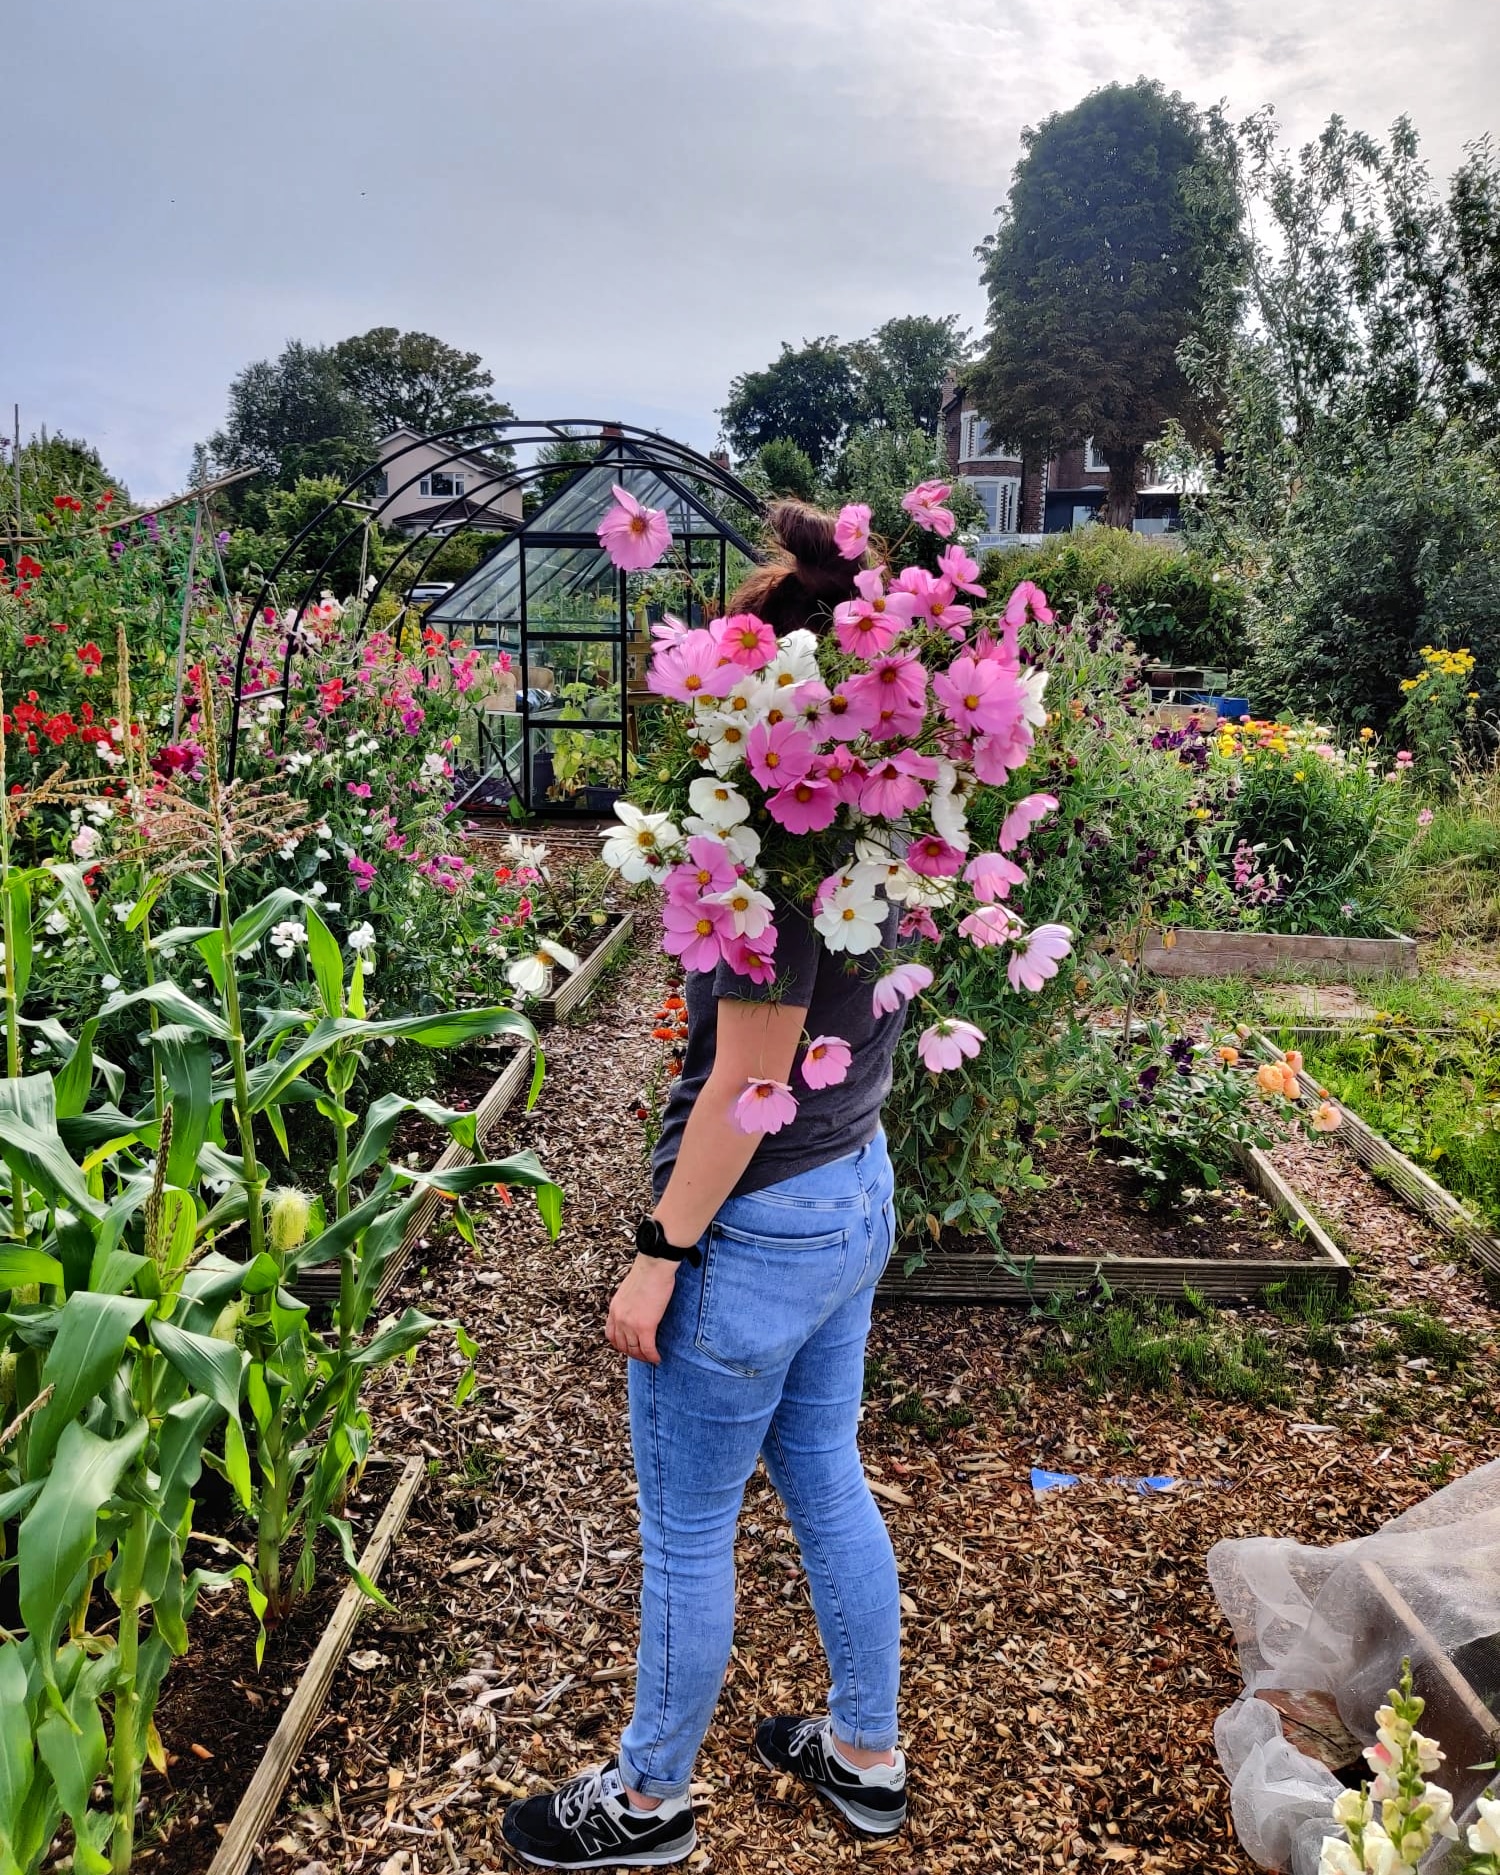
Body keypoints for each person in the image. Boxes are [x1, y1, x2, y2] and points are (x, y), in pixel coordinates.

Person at [503, 503, 910, 1869]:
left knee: (686, 1526)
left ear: (764, 694)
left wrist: (661, 1251)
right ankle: (865, 1755)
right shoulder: (891, 812)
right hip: (851, 1183)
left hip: (756, 1222)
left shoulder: (773, 851)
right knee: (826, 1473)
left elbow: (750, 1077)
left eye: (724, 687)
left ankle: (646, 1803)